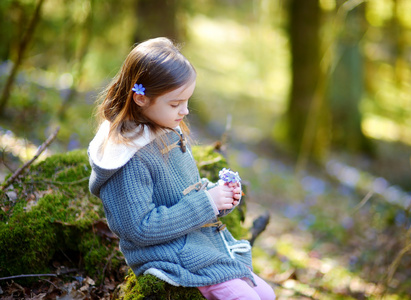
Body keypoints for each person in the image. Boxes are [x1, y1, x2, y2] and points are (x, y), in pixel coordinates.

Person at [88, 37, 275, 300]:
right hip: (166, 253)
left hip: (195, 241)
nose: (185, 111)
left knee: (267, 294)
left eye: (187, 101)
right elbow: (140, 229)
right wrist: (206, 204)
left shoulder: (163, 128)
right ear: (141, 98)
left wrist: (218, 196)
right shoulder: (127, 157)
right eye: (176, 104)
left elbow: (182, 193)